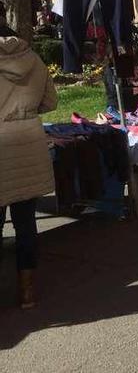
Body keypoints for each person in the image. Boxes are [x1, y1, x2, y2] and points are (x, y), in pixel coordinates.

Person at [1, 34, 58, 309]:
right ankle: (27, 292)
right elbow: (51, 102)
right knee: (26, 224)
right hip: (28, 143)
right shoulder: (33, 59)